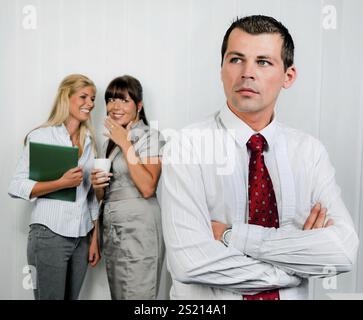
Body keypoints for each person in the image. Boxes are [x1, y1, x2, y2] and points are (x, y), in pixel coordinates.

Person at [160, 15, 359, 300]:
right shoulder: (186, 146)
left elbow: (341, 251)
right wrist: (296, 266)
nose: (247, 73)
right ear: (221, 69)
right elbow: (190, 263)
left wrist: (232, 236)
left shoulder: (309, 153)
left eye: (263, 62)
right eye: (236, 59)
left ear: (288, 76)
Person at [8, 74, 101, 300]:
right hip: (49, 235)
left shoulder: (90, 142)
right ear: (65, 97)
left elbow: (90, 199)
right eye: (84, 97)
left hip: (81, 238)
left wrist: (95, 239)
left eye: (93, 98)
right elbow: (16, 185)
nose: (90, 103)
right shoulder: (42, 136)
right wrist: (60, 183)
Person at [91, 75, 165, 300]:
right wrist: (97, 186)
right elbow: (103, 196)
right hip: (112, 231)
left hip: (139, 230)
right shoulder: (108, 143)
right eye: (111, 99)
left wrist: (125, 142)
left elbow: (148, 187)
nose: (115, 106)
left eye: (124, 100)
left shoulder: (151, 137)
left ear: (139, 106)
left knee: (138, 295)